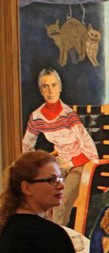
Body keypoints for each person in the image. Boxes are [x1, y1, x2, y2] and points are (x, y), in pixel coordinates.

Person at [21, 68, 99, 227]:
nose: (50, 91)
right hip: (59, 165)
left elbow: (91, 150)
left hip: (80, 165)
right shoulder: (37, 117)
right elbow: (26, 146)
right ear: (40, 90)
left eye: (54, 85)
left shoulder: (68, 115)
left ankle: (57, 236)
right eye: (45, 86)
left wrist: (70, 164)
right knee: (40, 192)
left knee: (60, 198)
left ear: (60, 87)